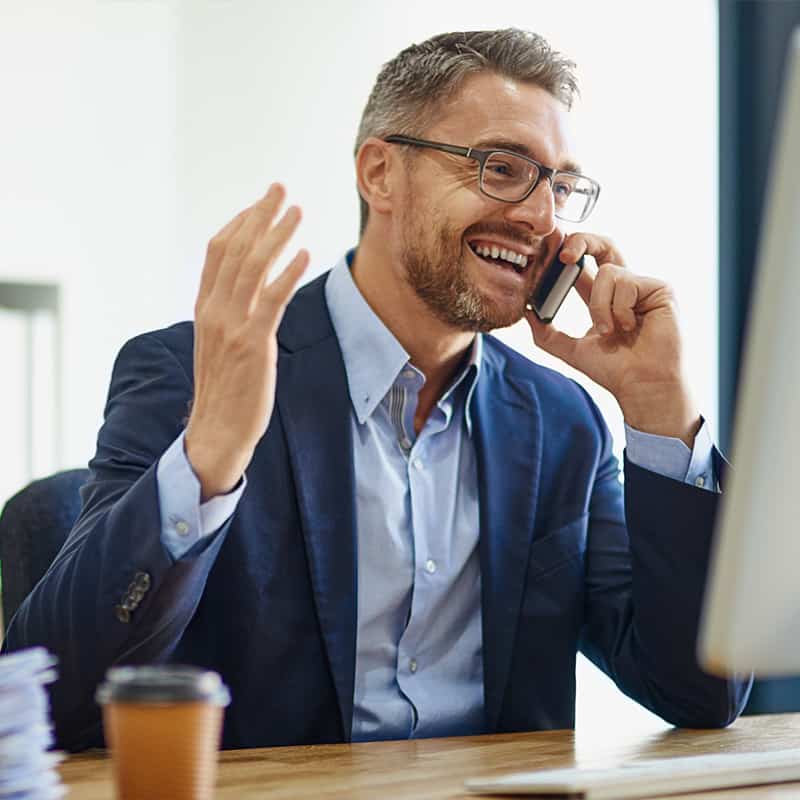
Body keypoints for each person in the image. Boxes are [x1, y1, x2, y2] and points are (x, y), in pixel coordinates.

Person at [4, 29, 750, 751]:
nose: (539, 217)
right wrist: (208, 460)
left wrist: (661, 410)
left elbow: (700, 692)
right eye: (500, 167)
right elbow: (50, 702)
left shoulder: (563, 424)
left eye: (559, 186)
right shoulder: (191, 375)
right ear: (379, 174)